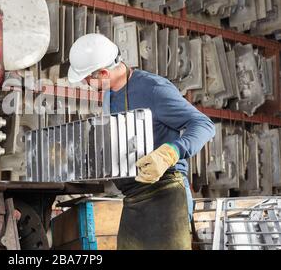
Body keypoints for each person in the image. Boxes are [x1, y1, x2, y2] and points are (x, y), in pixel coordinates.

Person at [67, 33, 215, 250]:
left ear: (104, 72)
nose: (85, 82)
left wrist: (171, 153)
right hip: (134, 198)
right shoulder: (109, 94)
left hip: (167, 195)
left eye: (88, 77)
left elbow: (204, 125)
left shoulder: (154, 89)